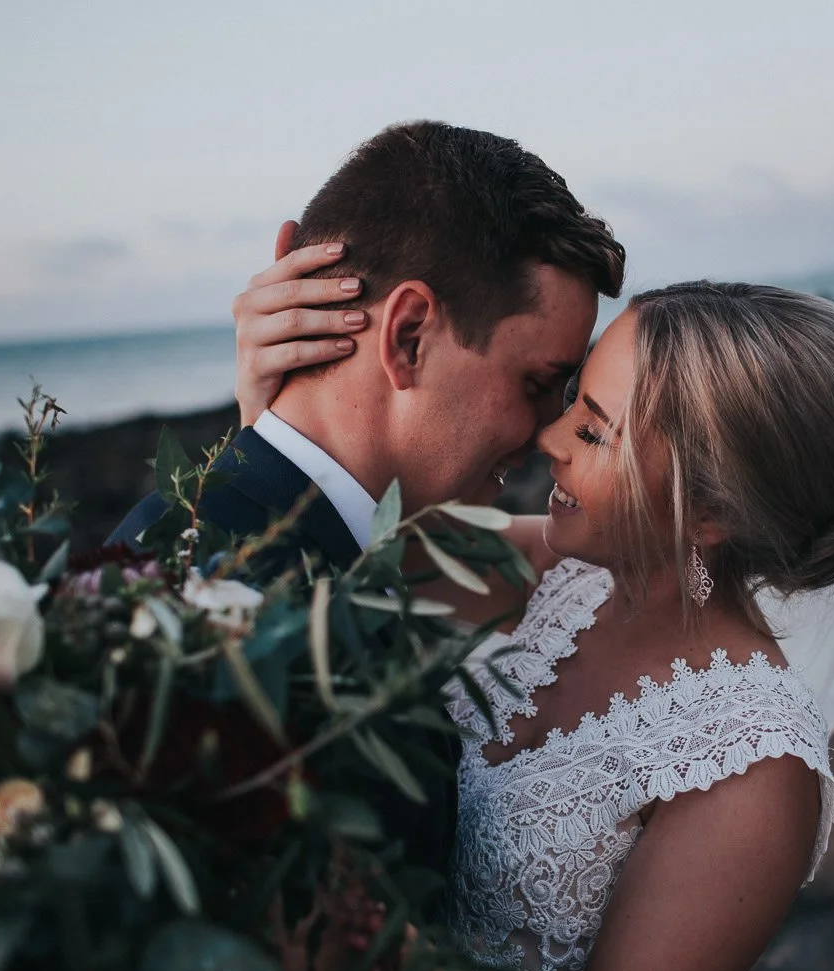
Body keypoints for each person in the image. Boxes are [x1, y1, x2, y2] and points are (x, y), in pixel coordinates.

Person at [233, 246, 834, 971]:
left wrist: (372, 942)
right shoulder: (554, 572)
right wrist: (275, 400)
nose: (549, 439)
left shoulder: (757, 770)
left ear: (714, 513)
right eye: (571, 401)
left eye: (594, 433)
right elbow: (309, 547)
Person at [107, 120, 627, 887]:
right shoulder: (261, 622)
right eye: (535, 384)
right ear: (409, 335)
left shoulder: (200, 522)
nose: (549, 430)